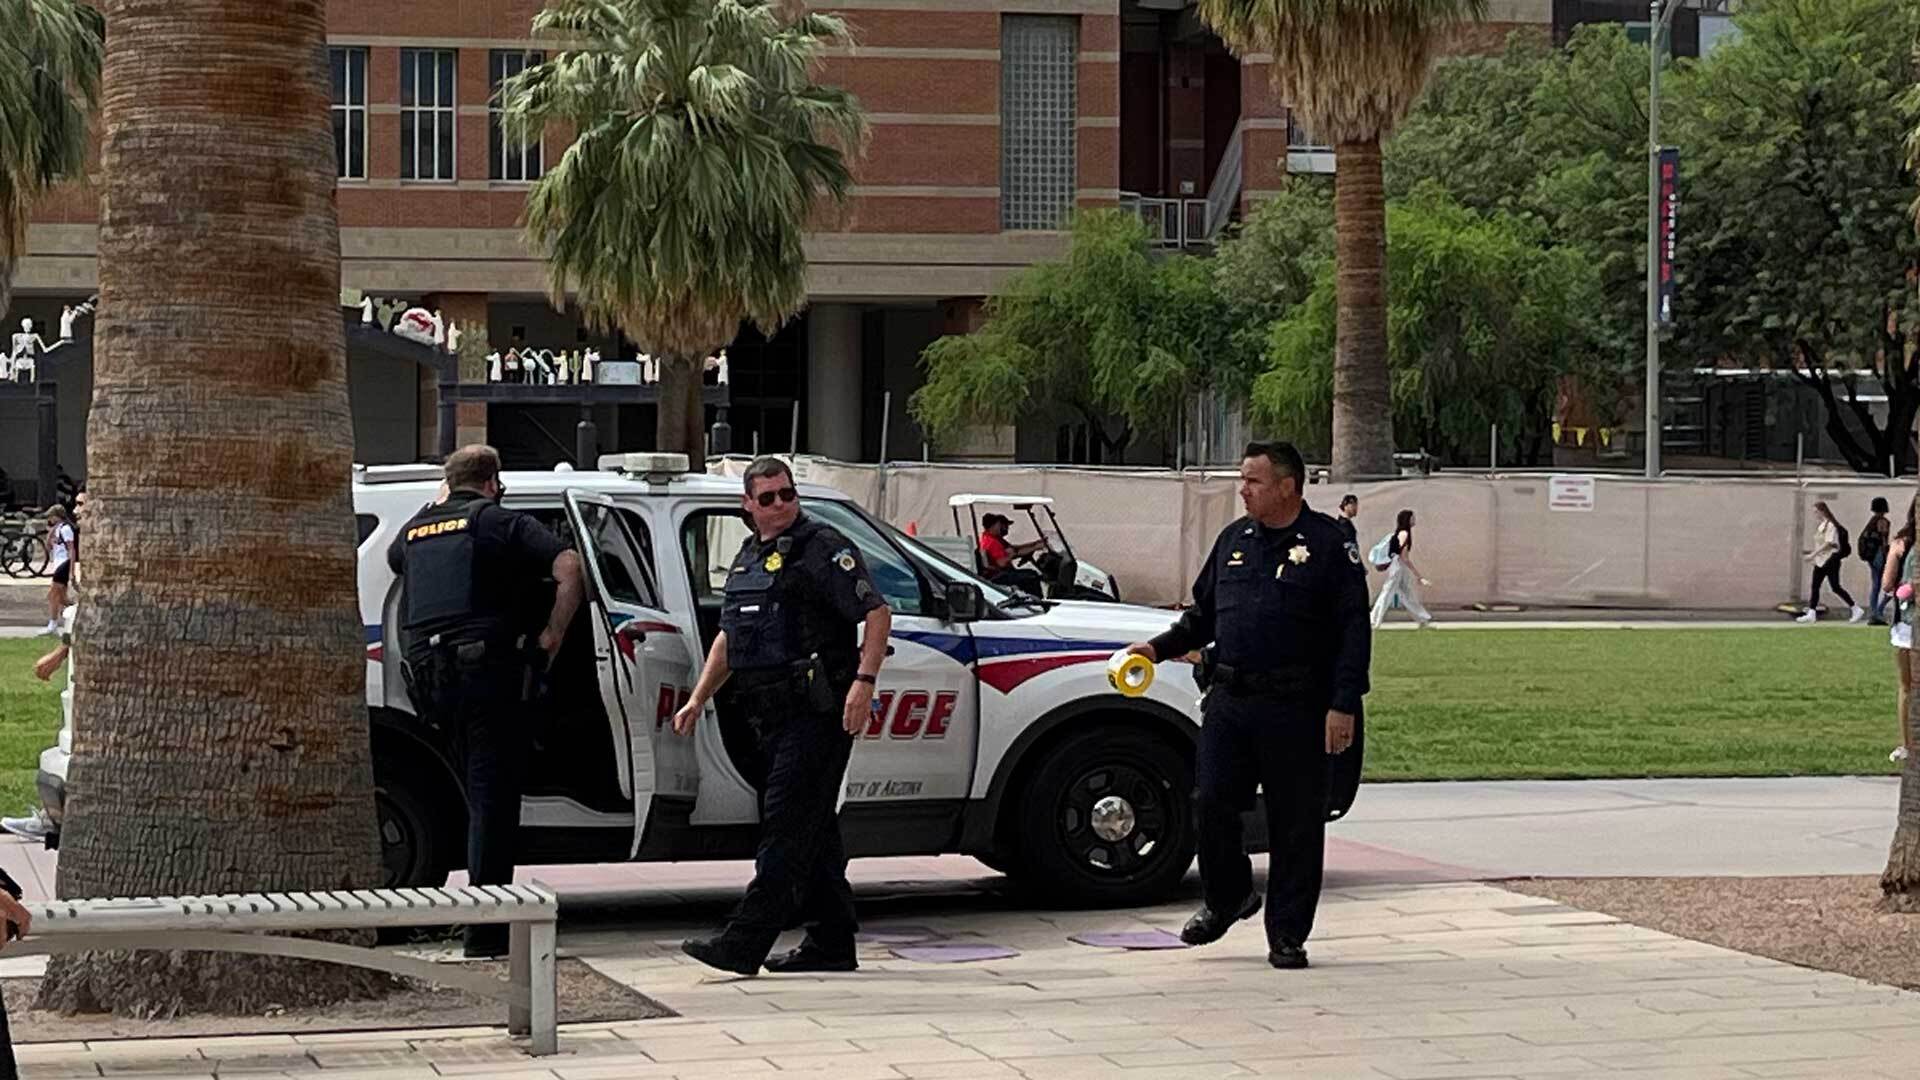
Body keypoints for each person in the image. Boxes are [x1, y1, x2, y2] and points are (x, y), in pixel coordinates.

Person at [1124, 441, 1370, 971]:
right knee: (1209, 802)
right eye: (1243, 480)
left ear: (1287, 486)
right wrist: (1157, 647)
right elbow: (1202, 617)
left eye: (1254, 481)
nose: (1244, 490)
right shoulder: (1234, 540)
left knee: (1296, 825)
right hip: (1231, 700)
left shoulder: (1329, 544)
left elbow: (1354, 631)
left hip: (1299, 706)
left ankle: (1286, 933)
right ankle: (1228, 895)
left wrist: (1343, 704)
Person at [671, 456, 892, 976]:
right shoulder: (750, 556)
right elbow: (731, 636)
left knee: (785, 826)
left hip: (817, 712)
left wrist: (863, 684)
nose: (780, 504)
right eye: (767, 497)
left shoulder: (823, 548)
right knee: (814, 830)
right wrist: (698, 697)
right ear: (748, 505)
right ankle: (832, 943)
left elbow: (877, 613)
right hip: (767, 713)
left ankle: (744, 942)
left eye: (787, 494)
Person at [386, 445, 584, 958]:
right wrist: (552, 636)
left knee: (472, 798)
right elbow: (569, 567)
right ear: (494, 481)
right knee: (492, 805)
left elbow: (397, 559)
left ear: (449, 484)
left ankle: (481, 921)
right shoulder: (501, 523)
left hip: (432, 686)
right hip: (488, 679)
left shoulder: (413, 531)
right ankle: (486, 933)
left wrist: (439, 502)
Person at [1883, 497, 1917, 762]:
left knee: (1907, 685)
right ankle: (1907, 743)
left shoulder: (1902, 544)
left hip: (1906, 622)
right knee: (1907, 685)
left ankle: (1907, 744)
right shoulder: (1903, 544)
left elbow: (1886, 583)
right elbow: (1887, 584)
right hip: (1908, 621)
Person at [1798, 500, 1863, 624]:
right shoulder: (1822, 525)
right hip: (1821, 560)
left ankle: (1856, 608)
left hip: (1830, 560)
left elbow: (1828, 543)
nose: (1815, 515)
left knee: (1835, 587)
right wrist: (1815, 557)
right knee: (1815, 586)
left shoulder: (1831, 525)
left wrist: (1813, 555)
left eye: (1816, 512)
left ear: (1822, 511)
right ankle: (1812, 612)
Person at [1370, 509, 1434, 629]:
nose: (1414, 520)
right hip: (1398, 566)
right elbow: (1404, 558)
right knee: (1388, 592)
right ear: (1407, 520)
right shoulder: (1404, 534)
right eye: (1412, 517)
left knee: (1407, 594)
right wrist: (1419, 576)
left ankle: (1423, 619)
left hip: (1399, 566)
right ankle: (1373, 620)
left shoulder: (1402, 533)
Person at [978, 512, 1047, 596]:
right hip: (999, 575)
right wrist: (1012, 555)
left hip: (1002, 573)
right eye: (1000, 525)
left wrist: (1034, 544)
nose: (1005, 528)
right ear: (993, 526)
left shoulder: (994, 539)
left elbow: (1014, 549)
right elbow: (1002, 563)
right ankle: (1038, 603)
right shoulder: (991, 542)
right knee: (1032, 576)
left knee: (1030, 573)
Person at [43, 506, 74, 636]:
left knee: (52, 595)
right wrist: (50, 532)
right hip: (58, 564)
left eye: (51, 516)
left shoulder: (66, 529)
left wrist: (71, 571)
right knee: (62, 598)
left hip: (64, 563)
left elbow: (72, 549)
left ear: (57, 516)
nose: (50, 519)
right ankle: (76, 610)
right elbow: (48, 546)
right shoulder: (57, 529)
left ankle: (53, 624)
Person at [1862, 497, 1893, 624]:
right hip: (1880, 555)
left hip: (1871, 556)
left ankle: (1874, 612)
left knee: (1875, 585)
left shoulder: (1871, 522)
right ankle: (1878, 611)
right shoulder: (1883, 521)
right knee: (1889, 584)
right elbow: (1884, 540)